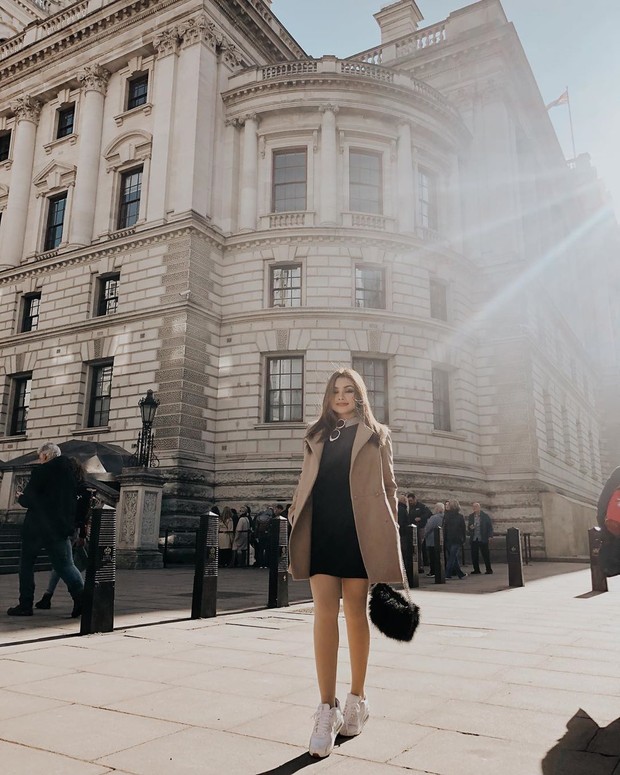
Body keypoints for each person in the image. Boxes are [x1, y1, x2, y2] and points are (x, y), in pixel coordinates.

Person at [288, 368, 401, 759]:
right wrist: (293, 510)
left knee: (354, 611)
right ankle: (326, 709)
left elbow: (389, 487)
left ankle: (357, 698)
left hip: (359, 532)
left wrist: (388, 529)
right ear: (327, 396)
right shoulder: (315, 434)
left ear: (359, 395)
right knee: (322, 612)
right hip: (321, 530)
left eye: (349, 390)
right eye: (335, 390)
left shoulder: (377, 435)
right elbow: (306, 480)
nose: (341, 396)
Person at [7, 443, 85, 618]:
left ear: (46, 456)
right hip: (59, 528)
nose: (39, 459)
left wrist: (22, 498)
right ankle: (82, 599)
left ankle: (25, 604)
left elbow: (30, 500)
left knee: (26, 565)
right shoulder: (70, 475)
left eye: (40, 456)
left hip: (37, 528)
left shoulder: (41, 472)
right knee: (65, 565)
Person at [35, 458, 92, 610]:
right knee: (61, 564)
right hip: (68, 529)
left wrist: (81, 534)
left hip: (67, 529)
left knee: (65, 564)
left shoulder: (78, 489)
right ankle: (48, 596)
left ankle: (81, 598)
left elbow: (82, 514)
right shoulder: (77, 488)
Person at [407, 493, 432, 572]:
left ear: (415, 499)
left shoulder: (421, 506)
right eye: (408, 501)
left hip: (420, 528)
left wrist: (420, 518)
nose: (410, 502)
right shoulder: (409, 507)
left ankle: (420, 566)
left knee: (419, 547)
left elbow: (429, 514)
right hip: (411, 529)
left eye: (411, 500)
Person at [467, 502, 494, 574]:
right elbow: (469, 527)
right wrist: (470, 528)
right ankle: (476, 570)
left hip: (483, 537)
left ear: (479, 507)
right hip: (474, 538)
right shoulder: (471, 516)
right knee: (474, 555)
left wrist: (490, 536)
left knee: (485, 554)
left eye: (476, 507)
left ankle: (489, 569)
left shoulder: (485, 516)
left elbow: (490, 527)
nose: (474, 508)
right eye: (473, 507)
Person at [443, 499, 467, 580]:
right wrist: (464, 539)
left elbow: (444, 528)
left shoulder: (446, 516)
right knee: (452, 557)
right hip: (457, 539)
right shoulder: (460, 517)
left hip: (448, 539)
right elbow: (463, 529)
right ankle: (447, 574)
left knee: (453, 557)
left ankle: (460, 574)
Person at [423, 502, 445, 577]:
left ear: (438, 509)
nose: (434, 509)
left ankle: (433, 571)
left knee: (432, 557)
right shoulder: (445, 517)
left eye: (435, 507)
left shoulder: (434, 518)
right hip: (441, 540)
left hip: (432, 540)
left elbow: (428, 528)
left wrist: (424, 536)